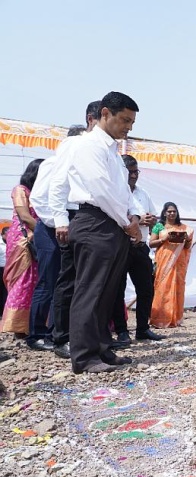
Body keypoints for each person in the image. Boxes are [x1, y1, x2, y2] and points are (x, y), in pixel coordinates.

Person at [63, 92, 142, 374]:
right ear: (105, 113)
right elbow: (100, 189)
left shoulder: (112, 151)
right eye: (124, 120)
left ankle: (102, 350)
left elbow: (122, 192)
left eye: (132, 122)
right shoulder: (88, 146)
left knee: (107, 293)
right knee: (90, 291)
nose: (129, 127)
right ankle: (83, 357)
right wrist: (127, 221)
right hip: (95, 221)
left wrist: (133, 216)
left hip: (113, 224)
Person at [27, 125, 87, 354]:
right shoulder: (52, 164)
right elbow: (39, 199)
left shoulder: (77, 169)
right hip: (52, 229)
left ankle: (56, 332)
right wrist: (59, 224)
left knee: (65, 283)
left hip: (67, 228)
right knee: (48, 282)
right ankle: (36, 334)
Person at [48, 101, 101, 360]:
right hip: (71, 216)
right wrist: (60, 219)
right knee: (69, 279)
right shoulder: (75, 144)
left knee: (86, 281)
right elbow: (57, 184)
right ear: (94, 119)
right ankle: (62, 338)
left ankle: (85, 338)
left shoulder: (102, 148)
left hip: (87, 217)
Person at [109, 155, 163, 349]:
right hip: (121, 246)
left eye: (136, 171)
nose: (134, 175)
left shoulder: (143, 193)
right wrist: (139, 221)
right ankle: (122, 331)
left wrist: (150, 221)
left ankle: (142, 328)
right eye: (130, 171)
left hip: (140, 247)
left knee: (146, 289)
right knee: (118, 289)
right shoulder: (114, 192)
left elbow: (154, 217)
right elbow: (116, 218)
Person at [1, 159, 42, 344]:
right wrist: (45, 231)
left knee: (36, 281)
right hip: (22, 241)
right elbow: (24, 216)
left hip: (37, 238)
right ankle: (17, 326)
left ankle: (31, 324)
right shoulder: (21, 190)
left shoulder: (39, 193)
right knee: (23, 280)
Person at [149, 202, 193, 328]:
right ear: (164, 213)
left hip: (179, 263)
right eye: (169, 211)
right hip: (163, 261)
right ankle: (160, 319)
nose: (172, 213)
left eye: (174, 211)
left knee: (178, 287)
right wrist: (163, 239)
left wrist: (187, 240)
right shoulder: (159, 226)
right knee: (162, 288)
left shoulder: (184, 228)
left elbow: (187, 247)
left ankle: (176, 319)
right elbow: (151, 244)